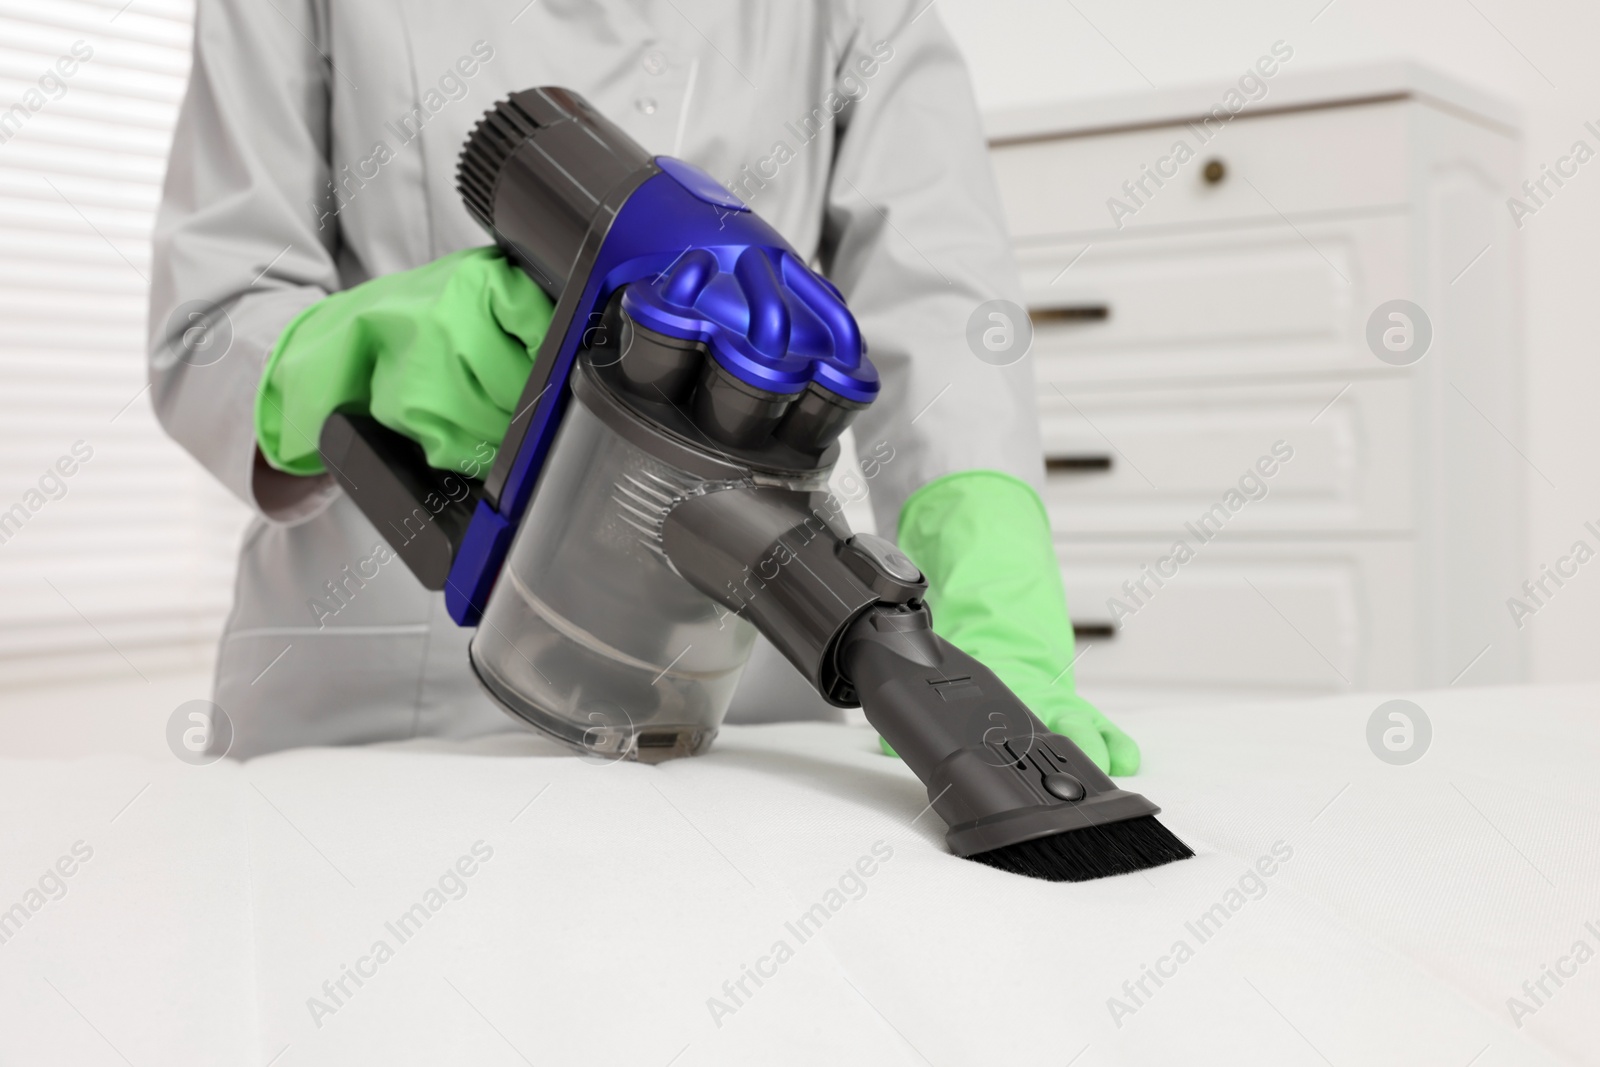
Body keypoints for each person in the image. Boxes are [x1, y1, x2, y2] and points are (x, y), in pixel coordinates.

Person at [148, 0, 1138, 774]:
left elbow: (943, 304)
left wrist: (991, 582)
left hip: (740, 705)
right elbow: (208, 318)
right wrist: (357, 353)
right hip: (369, 708)